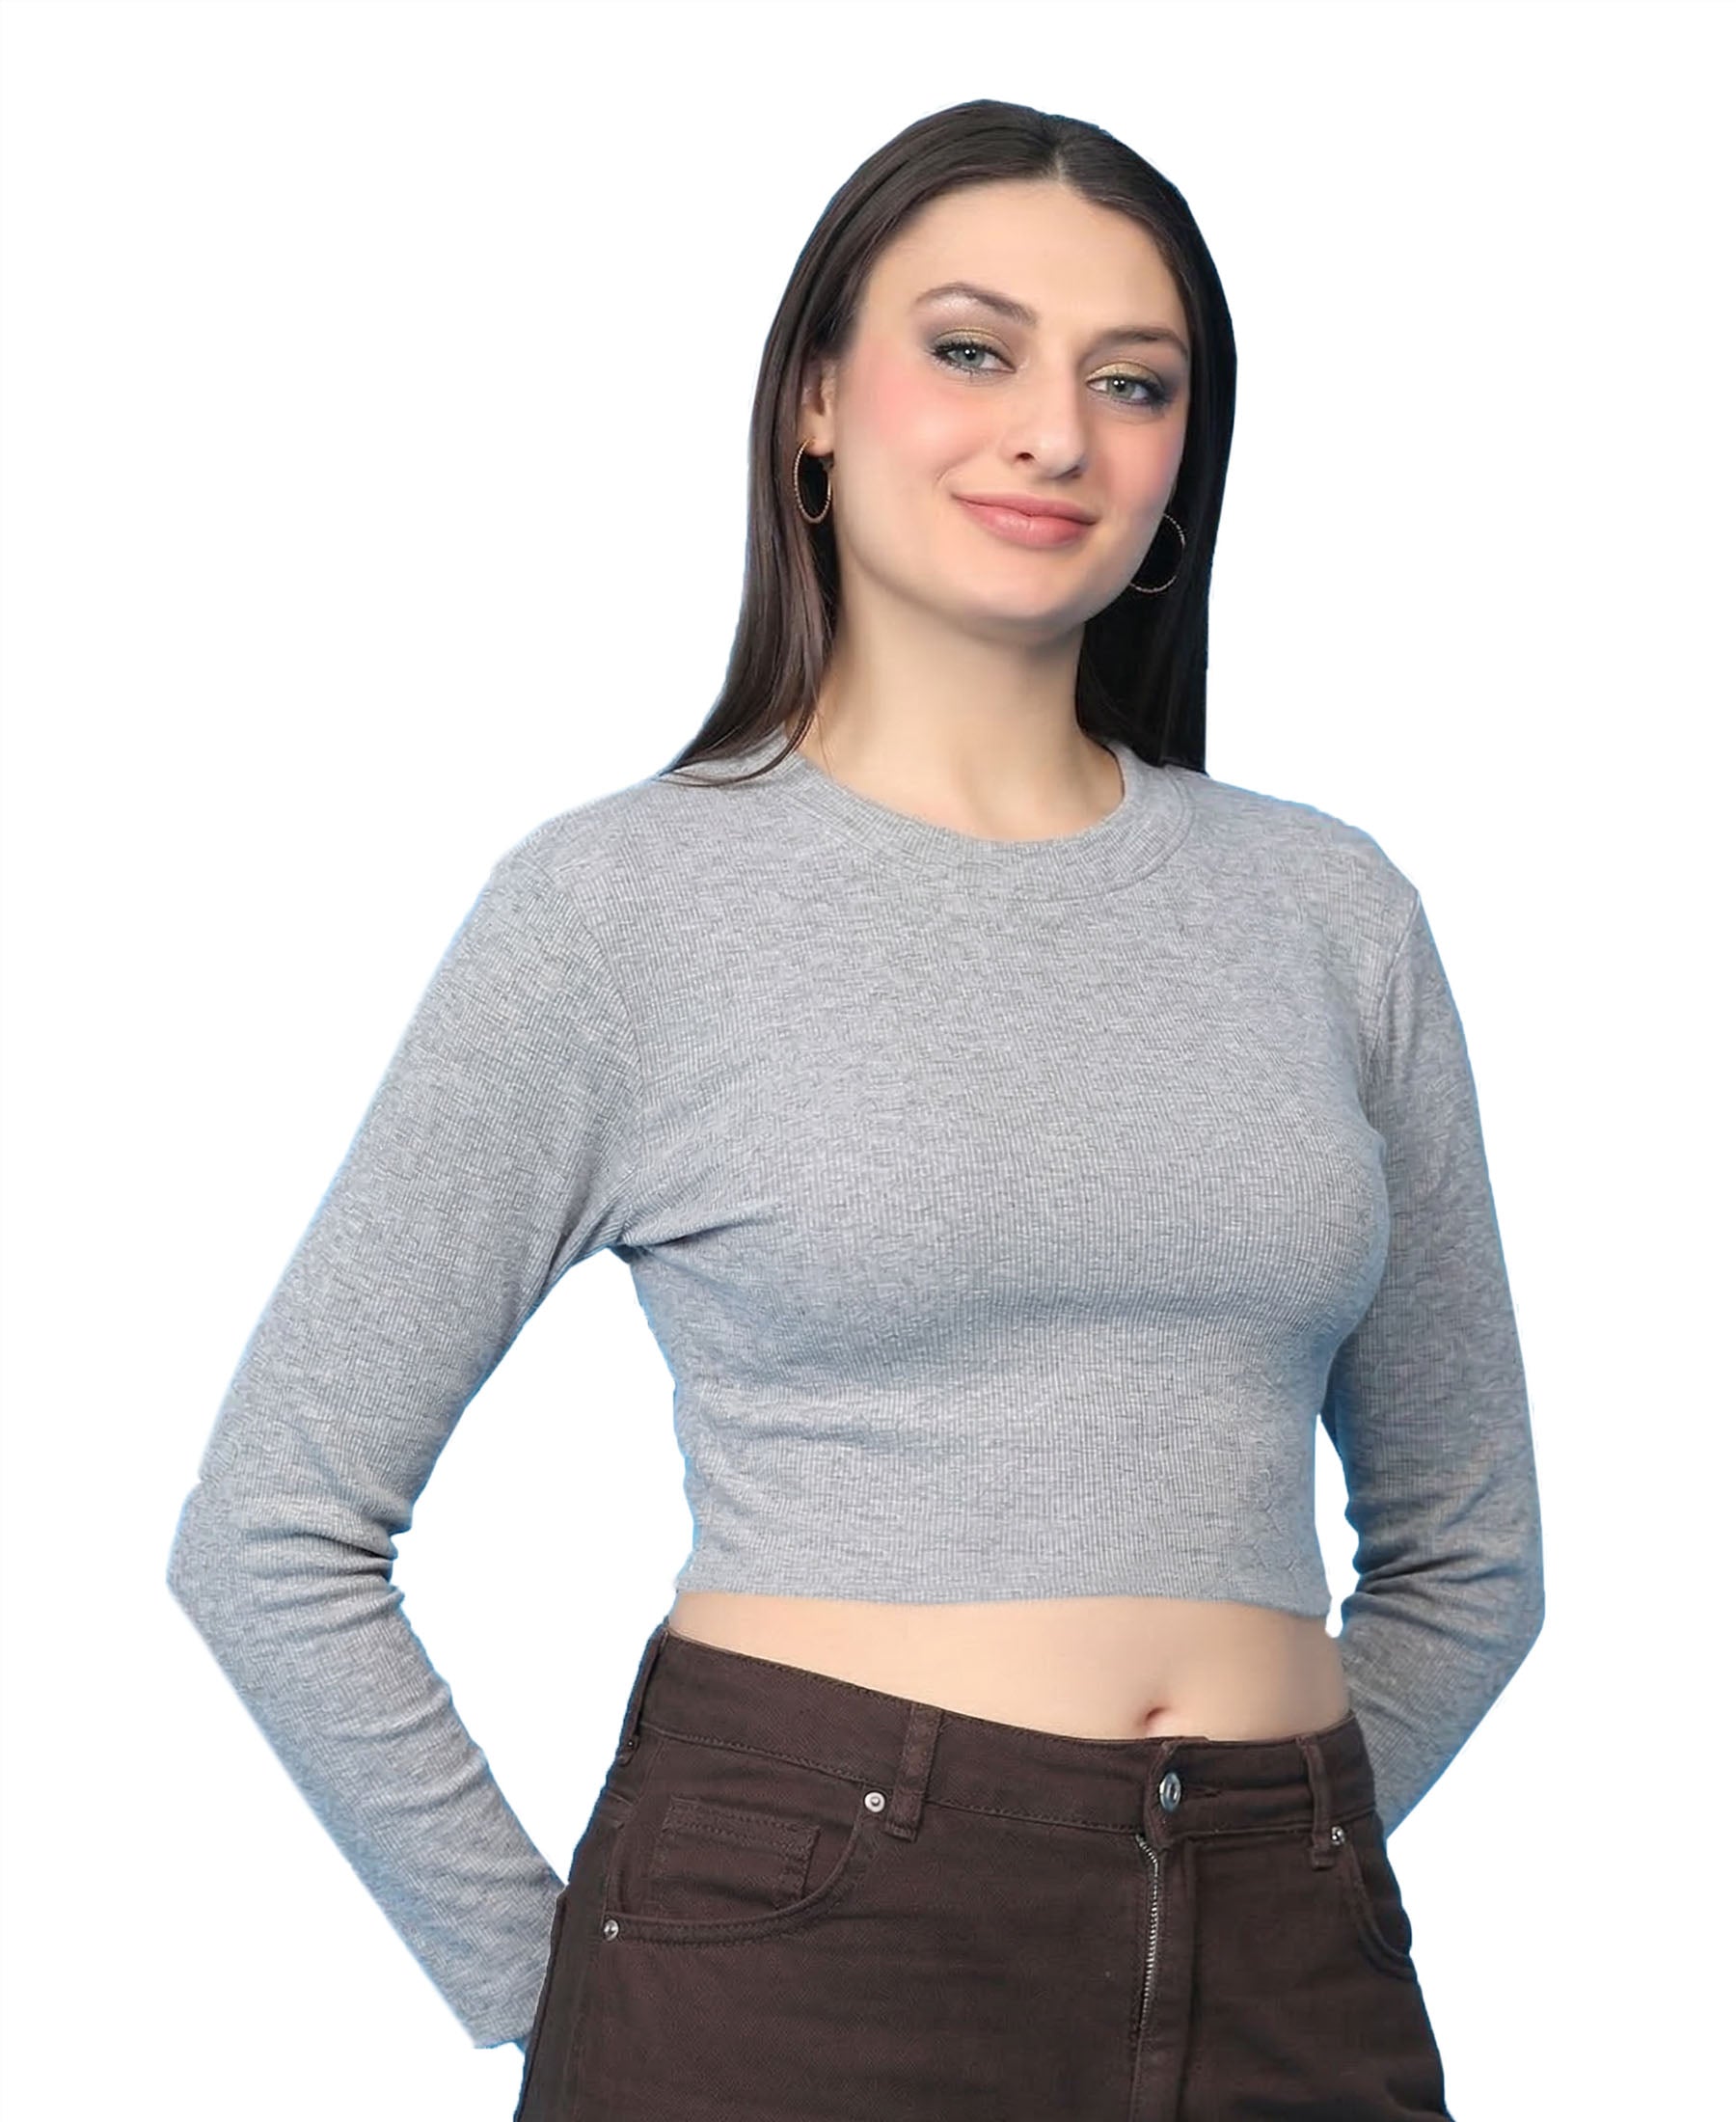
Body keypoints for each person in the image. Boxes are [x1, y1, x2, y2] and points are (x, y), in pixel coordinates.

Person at [166, 95, 1543, 2119]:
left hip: (1286, 1974)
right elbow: (269, 1531)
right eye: (973, 350)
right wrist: (585, 1988)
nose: (1055, 433)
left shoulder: (1329, 911)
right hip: (797, 1969)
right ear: (816, 400)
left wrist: (1253, 1857)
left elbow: (1473, 1555)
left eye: (1133, 381)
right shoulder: (625, 906)